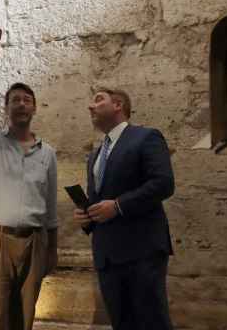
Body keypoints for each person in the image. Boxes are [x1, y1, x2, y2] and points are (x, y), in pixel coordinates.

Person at [0, 29, 58, 330]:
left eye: (26, 99)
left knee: (24, 321)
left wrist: (51, 250)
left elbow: (51, 208)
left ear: (34, 108)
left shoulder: (48, 154)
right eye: (15, 99)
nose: (21, 103)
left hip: (34, 242)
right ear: (6, 108)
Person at [73, 87, 175, 330]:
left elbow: (163, 183)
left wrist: (119, 206)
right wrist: (88, 217)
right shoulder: (96, 154)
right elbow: (100, 201)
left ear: (118, 104)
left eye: (98, 100)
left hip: (142, 250)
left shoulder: (146, 137)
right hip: (107, 255)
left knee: (151, 323)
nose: (90, 106)